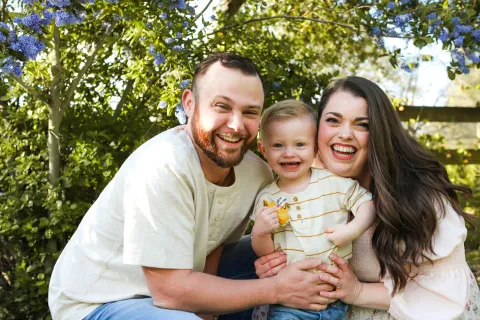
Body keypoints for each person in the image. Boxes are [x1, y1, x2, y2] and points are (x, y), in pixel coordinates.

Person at [48, 52, 336, 320]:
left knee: (292, 247)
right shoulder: (163, 165)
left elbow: (215, 247)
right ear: (189, 103)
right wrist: (276, 288)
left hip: (176, 287)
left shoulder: (256, 173)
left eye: (250, 112)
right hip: (100, 302)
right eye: (222, 106)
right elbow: (169, 290)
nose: (235, 125)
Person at [253, 76, 480, 320]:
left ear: (379, 132)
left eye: (362, 125)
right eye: (333, 120)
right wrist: (271, 264)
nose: (345, 134)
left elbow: (442, 296)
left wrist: (358, 291)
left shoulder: (417, 196)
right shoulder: (300, 181)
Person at [250, 100, 376, 319]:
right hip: (290, 301)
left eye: (300, 145)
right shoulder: (267, 198)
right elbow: (268, 256)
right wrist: (260, 232)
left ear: (315, 147)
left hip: (335, 298)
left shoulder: (333, 182)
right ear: (263, 150)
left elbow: (367, 203)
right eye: (278, 145)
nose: (289, 153)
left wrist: (352, 230)